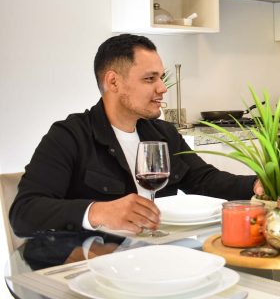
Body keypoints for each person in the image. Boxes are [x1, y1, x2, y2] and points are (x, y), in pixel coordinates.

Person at [10, 34, 263, 237]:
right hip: (95, 269)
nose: (162, 88)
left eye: (160, 78)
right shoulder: (69, 136)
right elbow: (24, 213)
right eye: (149, 78)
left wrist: (257, 185)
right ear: (113, 82)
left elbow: (204, 180)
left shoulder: (163, 133)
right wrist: (98, 212)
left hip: (155, 260)